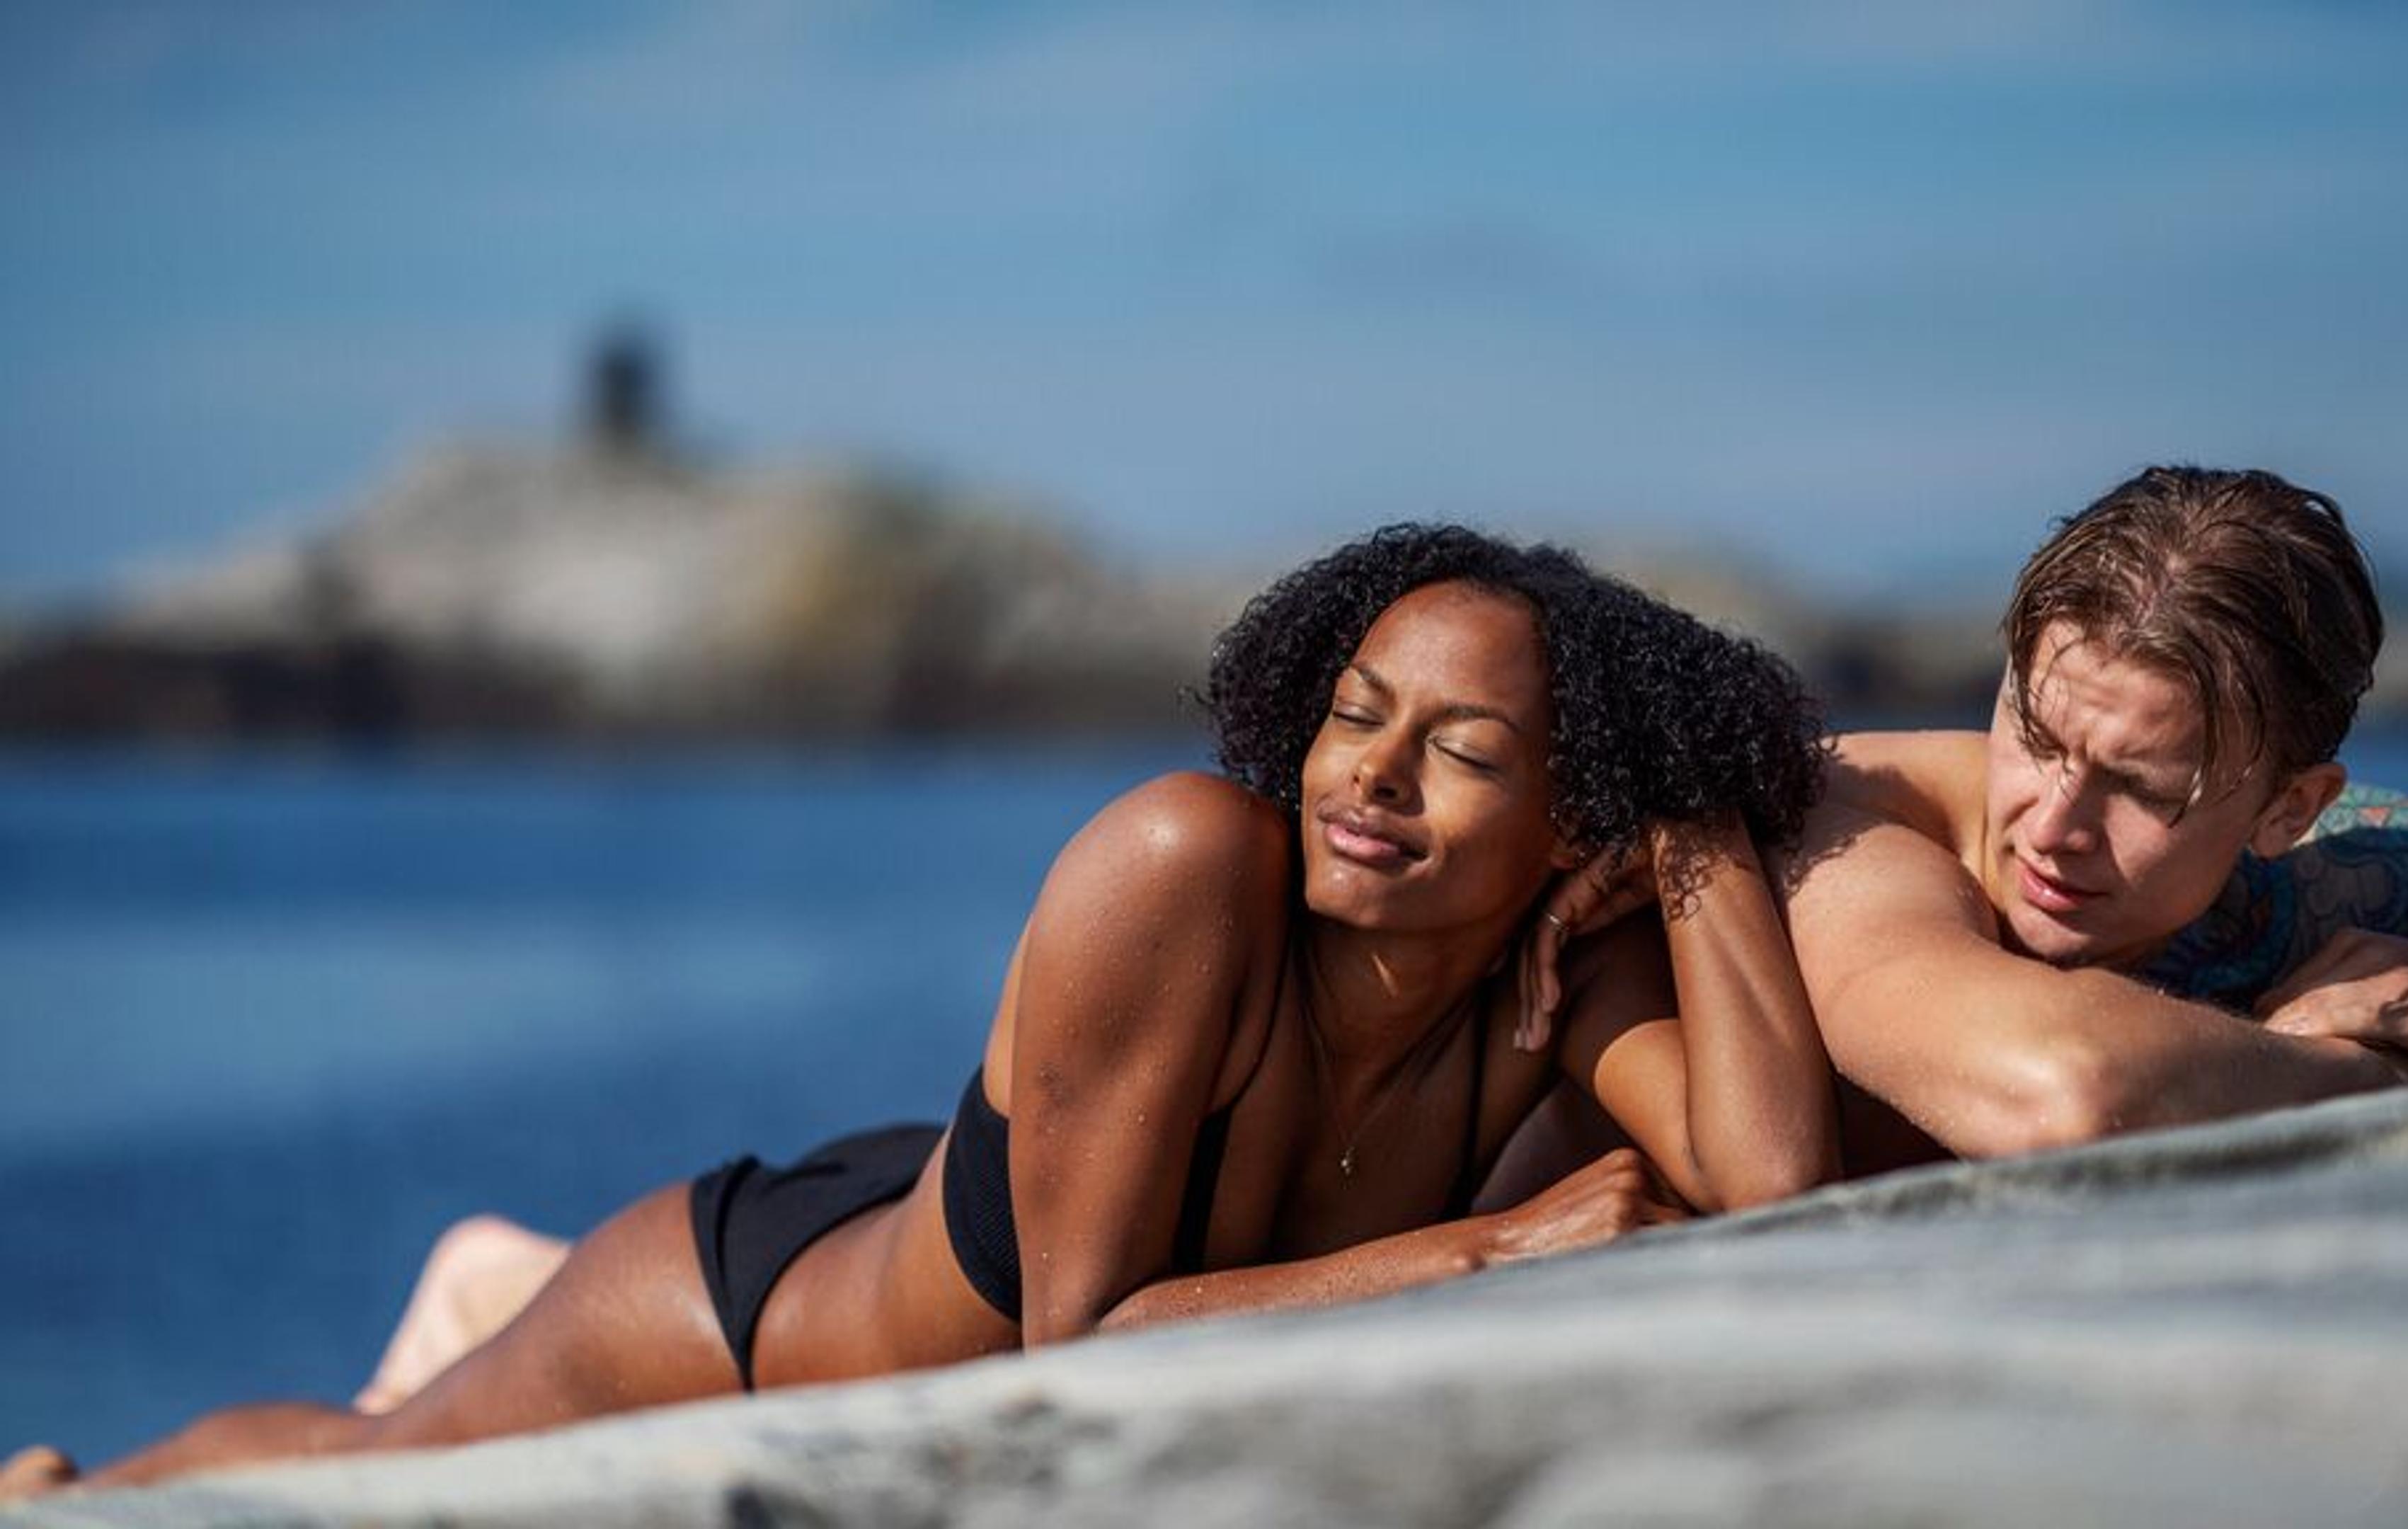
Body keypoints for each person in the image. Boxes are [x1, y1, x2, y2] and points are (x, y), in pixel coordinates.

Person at [3, 524, 1835, 1498]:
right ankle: (79, 1490)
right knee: (386, 1475)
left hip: (962, 1197)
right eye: (1359, 714)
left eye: (1469, 756)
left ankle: (482, 1270)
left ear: (1567, 817)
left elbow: (1766, 1179)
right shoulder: (1187, 860)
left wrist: (1699, 834)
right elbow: (1084, 1338)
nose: (1375, 780)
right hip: (753, 1313)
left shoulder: (1553, 968)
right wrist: (1489, 1250)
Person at [1523, 466, 2408, 1176]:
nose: (2053, 825)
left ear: (2291, 809)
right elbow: (2061, 1092)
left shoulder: (2348, 881)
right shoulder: (1848, 827)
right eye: (2036, 737)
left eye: (2144, 790)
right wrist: (2358, 1074)